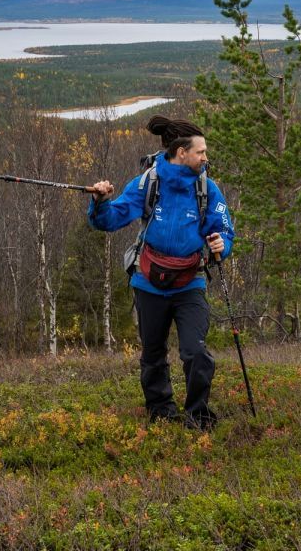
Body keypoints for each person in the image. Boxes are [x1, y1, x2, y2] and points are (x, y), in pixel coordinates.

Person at [87, 115, 234, 428]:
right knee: (153, 353)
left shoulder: (207, 189)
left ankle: (198, 416)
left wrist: (222, 243)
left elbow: (222, 228)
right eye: (201, 152)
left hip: (189, 283)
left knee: (196, 353)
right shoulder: (147, 183)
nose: (206, 158)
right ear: (181, 153)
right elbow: (109, 220)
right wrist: (101, 202)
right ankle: (161, 413)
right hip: (149, 282)